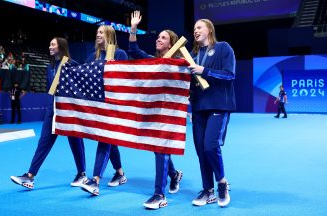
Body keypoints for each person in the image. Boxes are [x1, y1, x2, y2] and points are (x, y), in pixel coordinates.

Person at [10, 37, 87, 189]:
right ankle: (30, 176)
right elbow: (50, 90)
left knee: (75, 141)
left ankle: (82, 174)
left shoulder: (71, 64)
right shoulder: (49, 67)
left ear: (61, 46)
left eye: (53, 44)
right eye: (50, 44)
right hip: (52, 110)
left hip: (69, 111)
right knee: (44, 142)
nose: (50, 46)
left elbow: (80, 87)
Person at [126, 11, 183, 209]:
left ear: (171, 43)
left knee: (160, 150)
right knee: (158, 149)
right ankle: (174, 174)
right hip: (152, 113)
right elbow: (133, 51)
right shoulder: (150, 61)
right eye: (158, 37)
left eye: (163, 37)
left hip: (170, 114)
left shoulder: (178, 65)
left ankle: (159, 194)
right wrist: (133, 28)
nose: (158, 39)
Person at [188, 19, 235, 207]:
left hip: (219, 105)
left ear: (209, 30)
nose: (195, 30)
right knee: (201, 150)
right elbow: (191, 84)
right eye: (193, 28)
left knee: (210, 146)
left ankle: (222, 182)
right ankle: (208, 190)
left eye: (199, 27)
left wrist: (204, 70)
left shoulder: (223, 48)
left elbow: (229, 74)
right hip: (199, 108)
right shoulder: (192, 55)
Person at [80, 25, 128, 196]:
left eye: (101, 32)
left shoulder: (120, 54)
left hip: (114, 105)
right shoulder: (91, 57)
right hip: (97, 106)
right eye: (97, 32)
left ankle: (96, 180)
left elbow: (126, 80)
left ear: (109, 35)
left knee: (105, 138)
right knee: (109, 139)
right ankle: (120, 173)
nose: (98, 34)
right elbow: (84, 79)